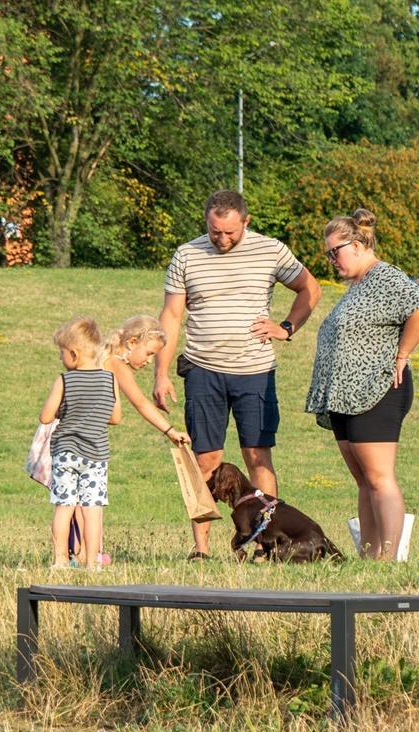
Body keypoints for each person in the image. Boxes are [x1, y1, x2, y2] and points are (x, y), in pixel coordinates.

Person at [154, 190, 322, 561]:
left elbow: (310, 288)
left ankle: (265, 545)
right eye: (214, 231)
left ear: (246, 221)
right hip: (203, 370)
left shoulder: (270, 250)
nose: (222, 239)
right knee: (205, 461)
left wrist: (286, 327)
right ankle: (201, 549)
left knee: (257, 456)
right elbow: (171, 316)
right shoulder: (187, 254)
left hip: (254, 372)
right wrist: (161, 373)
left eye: (230, 232)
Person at [304, 209, 419, 560]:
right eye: (328, 254)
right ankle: (370, 557)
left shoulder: (384, 276)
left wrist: (403, 354)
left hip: (377, 390)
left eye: (335, 251)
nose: (332, 259)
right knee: (364, 481)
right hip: (347, 397)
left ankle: (389, 559)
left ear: (358, 245)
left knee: (379, 478)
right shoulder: (358, 286)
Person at [39, 318, 121, 569]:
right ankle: (92, 562)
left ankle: (60, 560)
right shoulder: (110, 380)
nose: (61, 357)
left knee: (64, 507)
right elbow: (115, 418)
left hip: (65, 453)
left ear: (74, 353)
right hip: (96, 455)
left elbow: (45, 417)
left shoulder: (64, 380)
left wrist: (65, 411)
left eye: (62, 353)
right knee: (92, 510)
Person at [102, 315, 191, 446]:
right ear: (132, 343)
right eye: (149, 353)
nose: (149, 361)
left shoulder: (104, 358)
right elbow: (140, 403)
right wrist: (171, 432)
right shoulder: (117, 365)